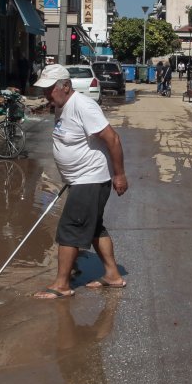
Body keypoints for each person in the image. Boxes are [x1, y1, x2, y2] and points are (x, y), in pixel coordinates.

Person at [31, 64, 130, 299]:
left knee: (69, 229)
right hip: (80, 179)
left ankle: (62, 285)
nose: (45, 93)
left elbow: (113, 139)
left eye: (49, 89)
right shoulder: (61, 105)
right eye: (43, 89)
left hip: (91, 179)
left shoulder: (83, 106)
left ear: (65, 86)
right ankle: (112, 275)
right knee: (94, 227)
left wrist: (119, 174)